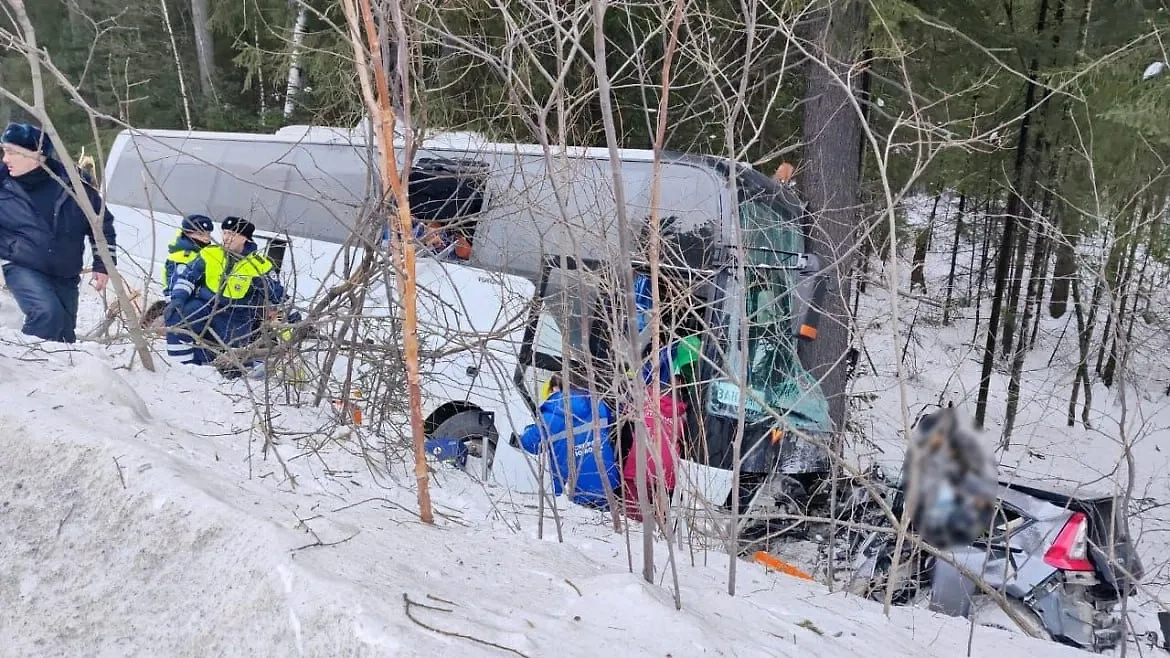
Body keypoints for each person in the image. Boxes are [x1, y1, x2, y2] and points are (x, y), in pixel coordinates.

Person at [0, 122, 117, 343]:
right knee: (46, 314)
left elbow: (101, 224)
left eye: (11, 152)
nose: (5, 159)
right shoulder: (2, 183)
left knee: (63, 333)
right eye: (4, 151)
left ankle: (47, 374)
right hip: (21, 264)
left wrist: (104, 264)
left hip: (65, 272)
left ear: (37, 154)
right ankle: (25, 367)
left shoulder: (74, 185)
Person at [166, 216, 284, 369]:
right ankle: (182, 367)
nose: (226, 238)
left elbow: (277, 294)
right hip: (205, 305)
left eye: (232, 234)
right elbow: (187, 277)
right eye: (225, 233)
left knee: (234, 364)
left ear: (244, 239)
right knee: (178, 314)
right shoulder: (210, 253)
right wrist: (178, 299)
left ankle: (226, 369)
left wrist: (293, 321)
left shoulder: (259, 264)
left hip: (236, 315)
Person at [516, 373, 620, 509]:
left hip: (575, 492)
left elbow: (531, 444)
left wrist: (526, 431)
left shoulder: (553, 413)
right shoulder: (598, 405)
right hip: (608, 485)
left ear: (554, 389)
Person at [623, 372, 688, 522]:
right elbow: (685, 444)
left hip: (637, 467)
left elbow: (625, 430)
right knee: (659, 524)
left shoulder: (642, 400)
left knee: (632, 522)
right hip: (666, 475)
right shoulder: (683, 414)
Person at [162, 214, 214, 299]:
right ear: (188, 234)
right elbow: (176, 287)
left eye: (208, 234)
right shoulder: (184, 257)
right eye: (200, 234)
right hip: (184, 303)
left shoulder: (199, 253)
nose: (206, 238)